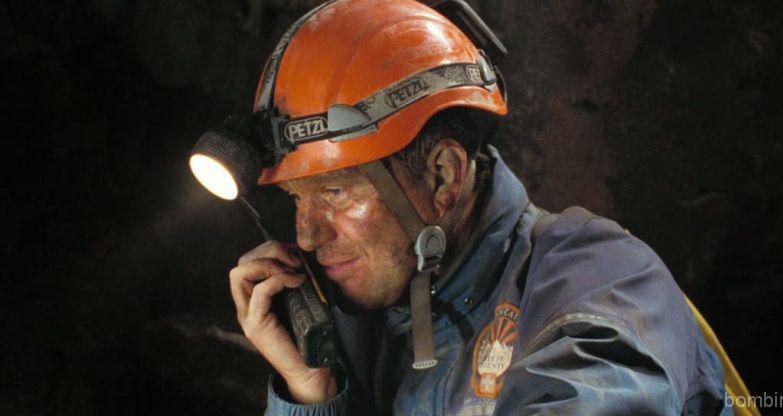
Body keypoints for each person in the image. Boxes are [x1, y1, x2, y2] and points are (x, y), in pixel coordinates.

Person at [225, 0, 729, 414]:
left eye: (335, 193)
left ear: (442, 176)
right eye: (297, 198)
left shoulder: (603, 285)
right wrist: (312, 396)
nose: (308, 236)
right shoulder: (368, 325)